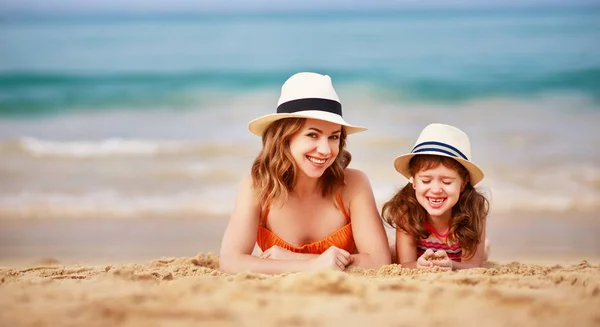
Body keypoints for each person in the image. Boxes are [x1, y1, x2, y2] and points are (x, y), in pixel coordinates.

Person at [219, 72, 391, 274]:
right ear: (284, 138)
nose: (326, 150)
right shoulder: (258, 186)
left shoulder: (353, 184)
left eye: (333, 137)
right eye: (312, 135)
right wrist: (313, 265)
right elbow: (231, 262)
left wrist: (296, 259)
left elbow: (380, 262)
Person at [382, 123, 490, 270]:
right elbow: (406, 264)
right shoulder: (406, 210)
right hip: (421, 255)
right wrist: (418, 265)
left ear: (463, 183)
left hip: (456, 258)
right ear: (413, 180)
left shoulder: (473, 210)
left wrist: (451, 265)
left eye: (446, 182)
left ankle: (485, 247)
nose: (436, 189)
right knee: (391, 249)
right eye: (426, 180)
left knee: (483, 252)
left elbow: (473, 266)